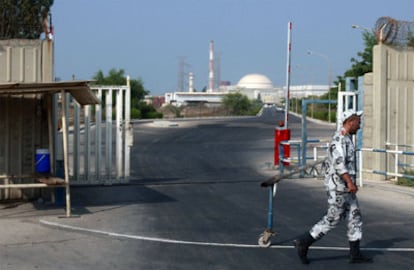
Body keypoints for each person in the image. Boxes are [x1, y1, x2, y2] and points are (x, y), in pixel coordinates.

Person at [294, 109, 373, 264]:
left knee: (354, 217)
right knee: (332, 219)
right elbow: (339, 165)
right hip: (338, 188)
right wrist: (350, 182)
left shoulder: (348, 138)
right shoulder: (339, 140)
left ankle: (355, 254)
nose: (360, 124)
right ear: (350, 121)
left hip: (346, 188)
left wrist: (350, 183)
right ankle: (304, 242)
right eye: (358, 121)